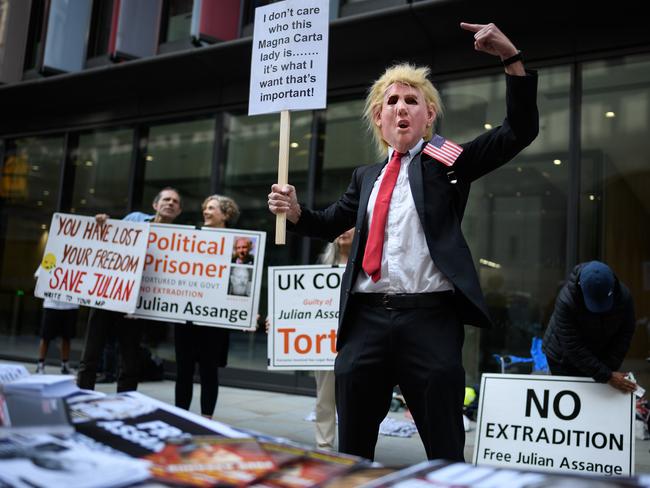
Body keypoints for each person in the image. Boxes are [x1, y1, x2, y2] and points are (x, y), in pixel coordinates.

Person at [268, 22, 538, 461]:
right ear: (379, 117)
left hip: (428, 322)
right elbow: (329, 221)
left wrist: (510, 57)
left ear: (428, 115)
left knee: (444, 448)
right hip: (366, 324)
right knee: (352, 449)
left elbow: (518, 131)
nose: (401, 108)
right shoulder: (366, 177)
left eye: (412, 101)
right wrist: (296, 212)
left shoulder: (446, 162)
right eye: (391, 101)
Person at [77, 187, 182, 392]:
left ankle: (126, 404)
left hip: (135, 304)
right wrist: (101, 225)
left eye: (175, 202)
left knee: (130, 360)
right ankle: (81, 396)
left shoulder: (179, 239)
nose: (170, 203)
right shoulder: (135, 220)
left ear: (178, 211)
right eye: (166, 199)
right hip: (107, 294)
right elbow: (108, 243)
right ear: (155, 205)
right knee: (91, 354)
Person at [175, 194, 240, 418]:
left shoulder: (236, 244)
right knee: (183, 371)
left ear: (226, 214)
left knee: (208, 371)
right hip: (188, 317)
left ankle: (207, 419)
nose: (206, 211)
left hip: (214, 320)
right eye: (205, 208)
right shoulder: (192, 238)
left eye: (211, 208)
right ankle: (180, 416)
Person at [542, 261, 637, 393]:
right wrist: (607, 375)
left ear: (613, 286)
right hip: (562, 358)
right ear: (581, 287)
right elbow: (572, 346)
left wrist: (607, 370)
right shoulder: (566, 301)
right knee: (568, 402)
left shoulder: (624, 297)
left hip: (598, 355)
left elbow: (624, 334)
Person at [314, 228, 354, 450]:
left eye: (349, 226)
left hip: (352, 340)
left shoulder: (366, 262)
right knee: (324, 397)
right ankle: (324, 446)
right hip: (323, 343)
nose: (342, 232)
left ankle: (352, 447)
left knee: (354, 399)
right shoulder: (322, 263)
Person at [34, 267, 79, 375]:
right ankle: (40, 364)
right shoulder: (53, 256)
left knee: (67, 337)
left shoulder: (79, 261)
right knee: (46, 337)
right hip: (52, 304)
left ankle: (65, 365)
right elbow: (37, 276)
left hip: (70, 304)